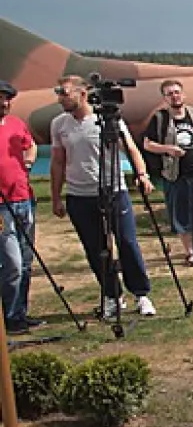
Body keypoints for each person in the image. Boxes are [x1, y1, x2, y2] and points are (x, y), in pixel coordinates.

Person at [49, 75, 157, 319]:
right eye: (58, 92)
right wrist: (56, 196)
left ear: (82, 93)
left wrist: (142, 174)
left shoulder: (107, 120)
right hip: (80, 194)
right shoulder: (59, 124)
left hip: (114, 190)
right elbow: (57, 161)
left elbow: (130, 148)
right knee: (97, 248)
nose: (61, 98)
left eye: (65, 92)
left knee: (127, 243)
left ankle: (141, 293)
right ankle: (112, 294)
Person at [143, 79, 193, 266]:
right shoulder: (160, 118)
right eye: (170, 93)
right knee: (182, 213)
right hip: (176, 173)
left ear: (184, 94)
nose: (175, 96)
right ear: (165, 98)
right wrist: (168, 148)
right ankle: (190, 252)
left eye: (177, 92)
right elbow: (147, 144)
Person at [0, 80, 40, 334]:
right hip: (1, 206)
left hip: (24, 199)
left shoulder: (16, 124)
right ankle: (8, 315)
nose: (4, 104)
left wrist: (29, 160)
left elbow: (31, 144)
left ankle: (19, 313)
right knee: (11, 262)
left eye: (7, 99)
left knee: (26, 260)